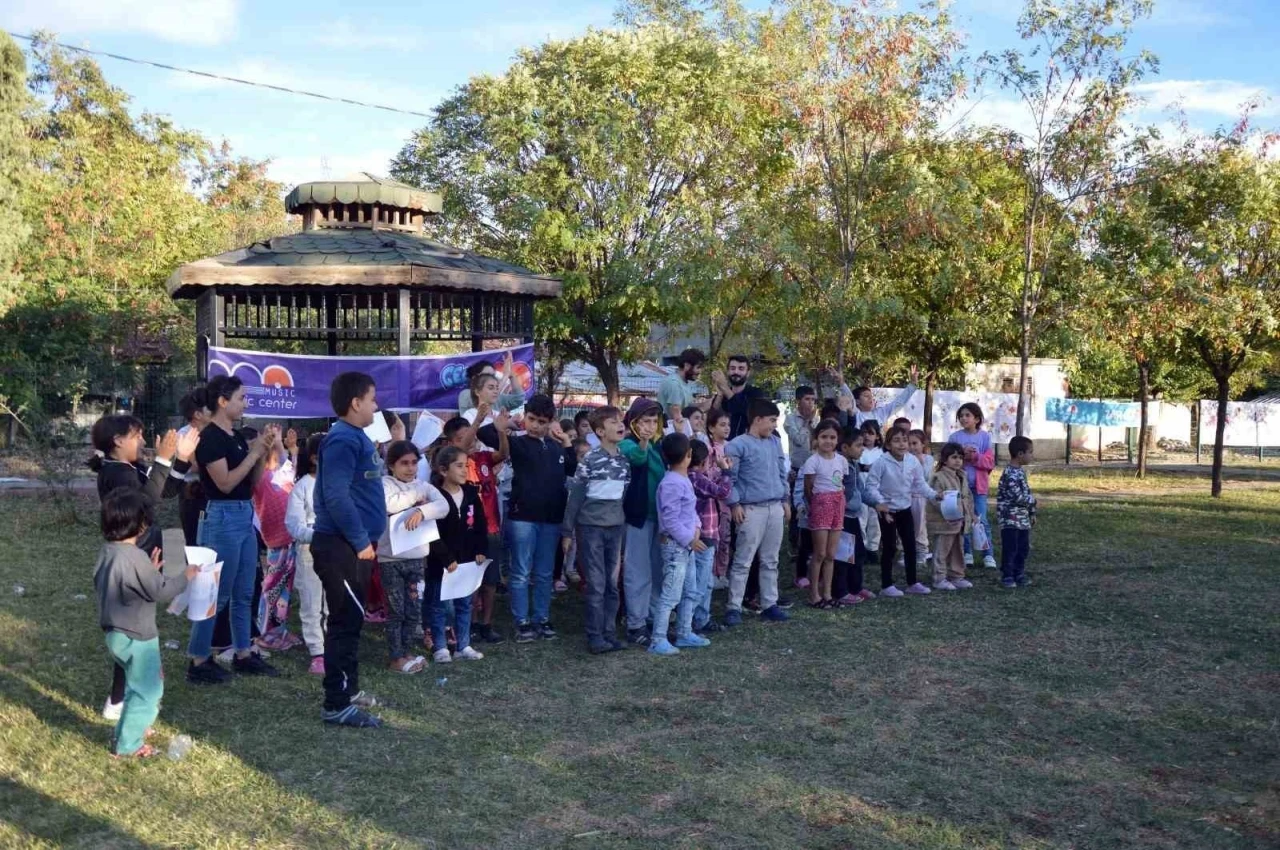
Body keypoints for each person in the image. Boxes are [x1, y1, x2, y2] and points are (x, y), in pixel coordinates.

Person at [89, 414, 196, 720]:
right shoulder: (116, 473)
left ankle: (179, 591)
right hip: (133, 554)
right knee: (133, 629)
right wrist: (162, 460)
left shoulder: (129, 467)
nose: (144, 441)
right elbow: (145, 505)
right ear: (118, 441)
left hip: (147, 546)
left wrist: (181, 459)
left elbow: (166, 491)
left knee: (177, 540)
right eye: (137, 436)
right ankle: (118, 700)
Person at [186, 376, 280, 685]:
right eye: (241, 398)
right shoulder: (210, 437)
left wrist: (262, 452)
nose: (246, 403)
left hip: (243, 514)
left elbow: (248, 483)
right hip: (221, 519)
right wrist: (253, 454)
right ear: (223, 401)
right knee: (214, 593)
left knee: (245, 590)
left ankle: (243, 653)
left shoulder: (236, 436)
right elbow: (225, 483)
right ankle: (199, 660)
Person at [94, 489, 198, 758]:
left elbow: (128, 582)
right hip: (138, 636)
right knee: (149, 690)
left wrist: (147, 570)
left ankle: (130, 727)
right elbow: (160, 591)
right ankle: (128, 745)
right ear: (140, 524)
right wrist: (186, 575)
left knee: (133, 683)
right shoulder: (136, 557)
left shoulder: (108, 553)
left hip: (115, 634)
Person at [312, 371, 385, 728]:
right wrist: (360, 541)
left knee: (352, 619)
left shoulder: (355, 436)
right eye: (372, 399)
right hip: (342, 547)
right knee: (344, 621)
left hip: (356, 547)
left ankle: (349, 688)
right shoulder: (342, 439)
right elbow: (336, 496)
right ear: (356, 403)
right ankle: (336, 703)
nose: (376, 405)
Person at [478, 394, 575, 643]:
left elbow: (571, 468)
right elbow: (485, 435)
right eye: (532, 419)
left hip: (551, 519)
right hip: (522, 517)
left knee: (544, 573)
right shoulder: (518, 443)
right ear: (526, 417)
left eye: (542, 421)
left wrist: (566, 441)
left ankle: (541, 618)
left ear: (551, 421)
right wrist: (505, 425)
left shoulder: (555, 447)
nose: (536, 426)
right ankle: (522, 621)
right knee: (520, 571)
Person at [561, 405, 630, 654]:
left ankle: (609, 632)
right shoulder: (590, 460)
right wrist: (567, 532)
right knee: (597, 584)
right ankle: (595, 635)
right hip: (591, 529)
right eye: (613, 422)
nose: (620, 425)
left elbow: (623, 495)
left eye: (620, 420)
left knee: (613, 584)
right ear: (600, 431)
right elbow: (576, 497)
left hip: (616, 528)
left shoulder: (623, 460)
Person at [378, 440, 448, 673]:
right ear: (391, 465)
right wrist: (415, 497)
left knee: (413, 607)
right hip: (391, 559)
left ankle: (407, 652)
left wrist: (421, 510)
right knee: (396, 609)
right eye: (404, 463)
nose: (410, 468)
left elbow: (443, 506)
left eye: (414, 463)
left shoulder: (423, 485)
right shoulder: (385, 484)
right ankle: (395, 656)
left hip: (417, 558)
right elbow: (389, 504)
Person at [722, 398, 791, 626]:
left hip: (774, 507)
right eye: (771, 420)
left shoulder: (774, 442)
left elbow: (782, 472)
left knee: (771, 560)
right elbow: (729, 478)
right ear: (757, 419)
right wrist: (734, 504)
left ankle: (769, 603)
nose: (774, 425)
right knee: (743, 560)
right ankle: (734, 606)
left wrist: (785, 499)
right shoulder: (737, 445)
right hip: (750, 509)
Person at [442, 414, 509, 644]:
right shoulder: (452, 467)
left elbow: (503, 455)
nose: (469, 441)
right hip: (465, 533)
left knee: (490, 581)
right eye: (462, 437)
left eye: (470, 435)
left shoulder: (483, 457)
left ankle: (486, 624)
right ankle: (466, 624)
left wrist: (501, 431)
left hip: (490, 529)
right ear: (451, 443)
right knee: (469, 582)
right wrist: (480, 418)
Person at [426, 446, 489, 662]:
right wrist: (445, 558)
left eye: (467, 466)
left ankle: (464, 645)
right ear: (443, 470)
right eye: (459, 466)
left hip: (467, 561)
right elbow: (430, 531)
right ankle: (440, 647)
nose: (464, 471)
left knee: (464, 604)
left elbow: (481, 524)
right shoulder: (434, 496)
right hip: (440, 563)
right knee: (439, 606)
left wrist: (481, 550)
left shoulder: (471, 494)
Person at [864, 426, 940, 598]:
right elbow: (870, 486)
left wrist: (935, 496)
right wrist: (881, 504)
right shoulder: (881, 462)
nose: (902, 444)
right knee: (890, 547)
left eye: (904, 440)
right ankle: (886, 584)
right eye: (896, 440)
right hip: (887, 510)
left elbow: (920, 484)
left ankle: (912, 582)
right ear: (888, 444)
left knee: (910, 545)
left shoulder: (912, 461)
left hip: (905, 508)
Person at [651, 433, 709, 656]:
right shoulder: (671, 483)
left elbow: (690, 511)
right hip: (677, 547)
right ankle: (658, 639)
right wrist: (689, 539)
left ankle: (684, 632)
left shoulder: (682, 480)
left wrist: (696, 529)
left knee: (690, 590)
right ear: (689, 455)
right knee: (671, 594)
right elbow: (670, 519)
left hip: (687, 546)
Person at [618, 398, 666, 646]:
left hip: (662, 517)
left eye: (653, 421)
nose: (650, 425)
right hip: (637, 516)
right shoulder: (626, 443)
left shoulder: (661, 445)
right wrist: (644, 441)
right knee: (638, 570)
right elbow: (636, 458)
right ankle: (636, 623)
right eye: (644, 421)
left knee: (658, 570)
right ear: (634, 423)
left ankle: (655, 617)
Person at [252, 433, 301, 652]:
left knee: (284, 590)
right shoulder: (260, 477)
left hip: (290, 538)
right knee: (272, 588)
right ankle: (264, 632)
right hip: (276, 540)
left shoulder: (283, 472)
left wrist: (285, 446)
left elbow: (292, 469)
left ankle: (278, 630)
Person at [285, 432, 328, 674]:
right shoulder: (302, 486)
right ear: (314, 458)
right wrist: (319, 534)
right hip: (309, 550)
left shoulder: (341, 483)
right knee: (312, 601)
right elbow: (294, 525)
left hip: (337, 551)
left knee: (334, 600)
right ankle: (317, 651)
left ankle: (333, 644)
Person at [800, 419, 848, 608]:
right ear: (817, 438)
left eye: (832, 437)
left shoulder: (841, 460)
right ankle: (814, 595)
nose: (828, 441)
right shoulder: (812, 461)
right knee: (819, 553)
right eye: (824, 437)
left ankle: (827, 594)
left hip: (838, 503)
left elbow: (841, 482)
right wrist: (817, 505)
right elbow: (808, 488)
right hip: (820, 505)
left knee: (831, 554)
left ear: (838, 439)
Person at [688, 439, 731, 635]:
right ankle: (695, 620)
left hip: (703, 535)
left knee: (704, 580)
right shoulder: (696, 478)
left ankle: (699, 618)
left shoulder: (693, 477)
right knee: (702, 581)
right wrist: (726, 471)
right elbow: (722, 492)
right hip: (704, 535)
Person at [948, 402, 997, 570]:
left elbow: (990, 462)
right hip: (960, 487)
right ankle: (966, 552)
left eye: (967, 415)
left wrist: (975, 457)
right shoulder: (955, 438)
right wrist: (961, 456)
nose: (963, 418)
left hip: (979, 488)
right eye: (961, 416)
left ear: (977, 419)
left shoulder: (984, 437)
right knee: (963, 520)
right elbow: (947, 461)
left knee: (981, 519)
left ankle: (987, 554)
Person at [926, 442, 975, 591]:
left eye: (960, 457)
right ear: (945, 459)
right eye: (954, 457)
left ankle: (957, 576)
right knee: (942, 550)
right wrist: (948, 511)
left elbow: (968, 497)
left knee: (957, 550)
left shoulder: (962, 476)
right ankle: (939, 578)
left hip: (959, 522)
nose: (958, 460)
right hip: (944, 522)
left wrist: (971, 514)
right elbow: (935, 499)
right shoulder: (938, 477)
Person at [833, 428, 873, 605]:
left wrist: (877, 504)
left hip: (853, 515)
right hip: (842, 516)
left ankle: (855, 587)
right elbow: (835, 488)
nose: (862, 449)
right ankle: (841, 591)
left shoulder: (854, 465)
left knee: (858, 553)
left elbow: (861, 491)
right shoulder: (838, 466)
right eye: (858, 445)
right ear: (844, 447)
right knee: (843, 556)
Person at [784, 386, 819, 589]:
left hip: (817, 470)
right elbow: (799, 440)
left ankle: (812, 549)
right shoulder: (790, 419)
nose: (810, 403)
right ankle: (795, 548)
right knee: (798, 511)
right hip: (798, 470)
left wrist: (814, 422)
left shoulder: (817, 419)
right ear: (798, 400)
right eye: (807, 399)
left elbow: (818, 440)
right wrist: (807, 422)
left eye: (813, 400)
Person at [996, 436, 1037, 589]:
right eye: (1030, 452)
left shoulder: (1020, 472)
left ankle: (1019, 573)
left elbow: (1026, 491)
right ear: (1020, 454)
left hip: (1022, 519)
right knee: (1010, 547)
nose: (1032, 455)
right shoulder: (1009, 473)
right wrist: (1033, 501)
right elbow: (1017, 496)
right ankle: (1007, 575)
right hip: (1010, 519)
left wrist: (1032, 512)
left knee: (1023, 547)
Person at [176, 389, 212, 546]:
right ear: (198, 414)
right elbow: (197, 466)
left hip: (213, 490)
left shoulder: (215, 432)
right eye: (210, 406)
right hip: (193, 493)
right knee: (195, 541)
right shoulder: (184, 435)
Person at [705, 409, 734, 587]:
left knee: (726, 537)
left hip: (727, 499)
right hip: (711, 498)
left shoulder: (731, 447)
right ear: (711, 427)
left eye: (728, 425)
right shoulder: (709, 449)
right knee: (713, 536)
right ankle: (710, 573)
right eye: (722, 425)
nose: (727, 428)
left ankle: (722, 572)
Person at [843, 366, 919, 430]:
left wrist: (912, 385)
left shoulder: (880, 413)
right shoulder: (855, 414)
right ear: (857, 401)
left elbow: (899, 402)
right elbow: (850, 398)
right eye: (866, 396)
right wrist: (841, 383)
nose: (871, 399)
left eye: (871, 396)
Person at [710, 355, 765, 439]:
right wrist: (720, 394)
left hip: (748, 446)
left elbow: (746, 410)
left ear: (748, 373)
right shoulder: (723, 394)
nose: (736, 372)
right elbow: (712, 416)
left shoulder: (756, 393)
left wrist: (725, 387)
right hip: (724, 446)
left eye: (741, 369)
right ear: (728, 371)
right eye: (732, 368)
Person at [657, 348, 708, 436]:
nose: (700, 371)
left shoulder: (685, 383)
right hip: (673, 434)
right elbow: (677, 414)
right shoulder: (674, 384)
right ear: (687, 365)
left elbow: (687, 408)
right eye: (698, 367)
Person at [456, 351, 525, 414]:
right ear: (474, 378)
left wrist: (511, 375)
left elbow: (518, 399)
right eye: (486, 375)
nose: (491, 379)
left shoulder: (498, 397)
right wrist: (505, 375)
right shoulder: (465, 394)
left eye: (493, 376)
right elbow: (484, 401)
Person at [907, 429, 934, 575]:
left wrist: (921, 462)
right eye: (909, 443)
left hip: (920, 498)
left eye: (915, 443)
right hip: (906, 497)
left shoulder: (928, 459)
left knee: (920, 526)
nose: (912, 447)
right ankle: (907, 552)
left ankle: (922, 553)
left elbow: (926, 478)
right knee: (907, 527)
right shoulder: (904, 458)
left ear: (923, 444)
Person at [857, 420, 884, 557]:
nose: (867, 436)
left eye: (871, 433)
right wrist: (865, 467)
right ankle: (860, 547)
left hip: (876, 492)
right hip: (860, 492)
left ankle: (872, 549)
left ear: (877, 436)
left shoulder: (882, 453)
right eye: (864, 433)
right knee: (861, 520)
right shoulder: (858, 450)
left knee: (875, 522)